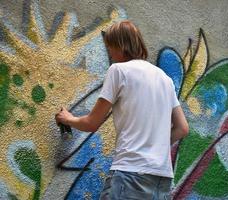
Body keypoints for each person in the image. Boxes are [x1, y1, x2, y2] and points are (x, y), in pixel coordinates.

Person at [55, 20, 189, 200]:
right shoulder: (165, 79)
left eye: (110, 47)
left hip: (130, 173)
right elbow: (182, 128)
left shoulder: (119, 71)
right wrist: (155, 146)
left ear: (120, 46)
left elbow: (92, 123)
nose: (110, 53)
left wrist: (68, 118)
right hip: (162, 177)